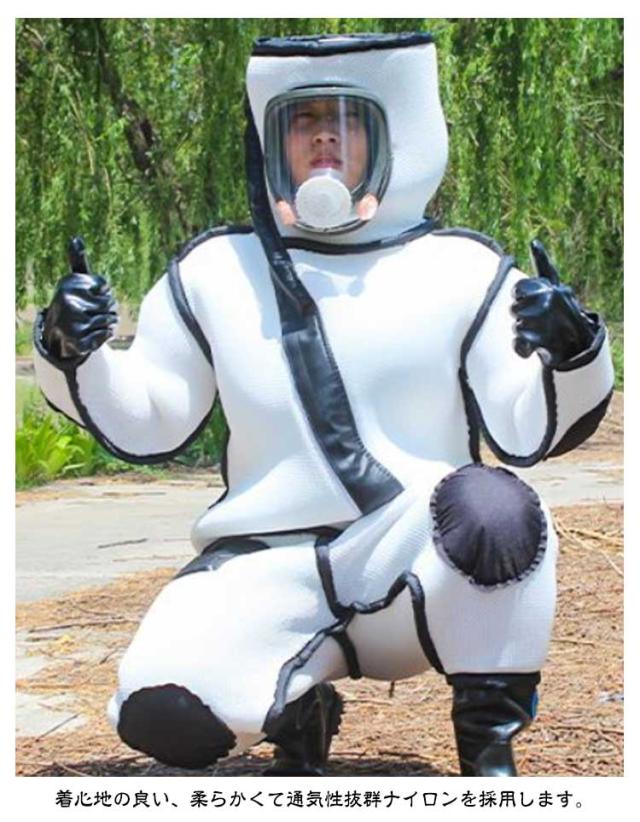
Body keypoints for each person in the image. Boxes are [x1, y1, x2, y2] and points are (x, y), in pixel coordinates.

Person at [33, 32, 614, 776]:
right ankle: (298, 704)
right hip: (266, 563)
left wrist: (572, 352)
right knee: (165, 716)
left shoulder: (463, 269)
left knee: (498, 513)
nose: (324, 138)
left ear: (392, 135)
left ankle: (488, 745)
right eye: (303, 121)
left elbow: (528, 431)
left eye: (347, 121)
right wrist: (73, 353)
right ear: (272, 140)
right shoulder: (214, 271)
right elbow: (149, 422)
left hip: (418, 555)